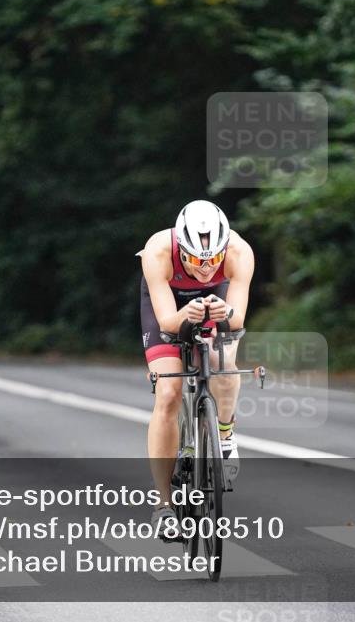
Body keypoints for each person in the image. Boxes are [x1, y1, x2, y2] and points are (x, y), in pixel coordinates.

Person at [138, 200, 254, 537]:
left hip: (217, 300)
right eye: (196, 261)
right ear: (181, 248)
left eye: (212, 261)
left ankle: (226, 435)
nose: (205, 268)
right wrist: (187, 313)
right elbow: (166, 322)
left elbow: (239, 318)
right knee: (169, 392)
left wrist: (223, 313)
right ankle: (163, 505)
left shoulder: (239, 252)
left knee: (223, 362)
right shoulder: (157, 251)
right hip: (170, 303)